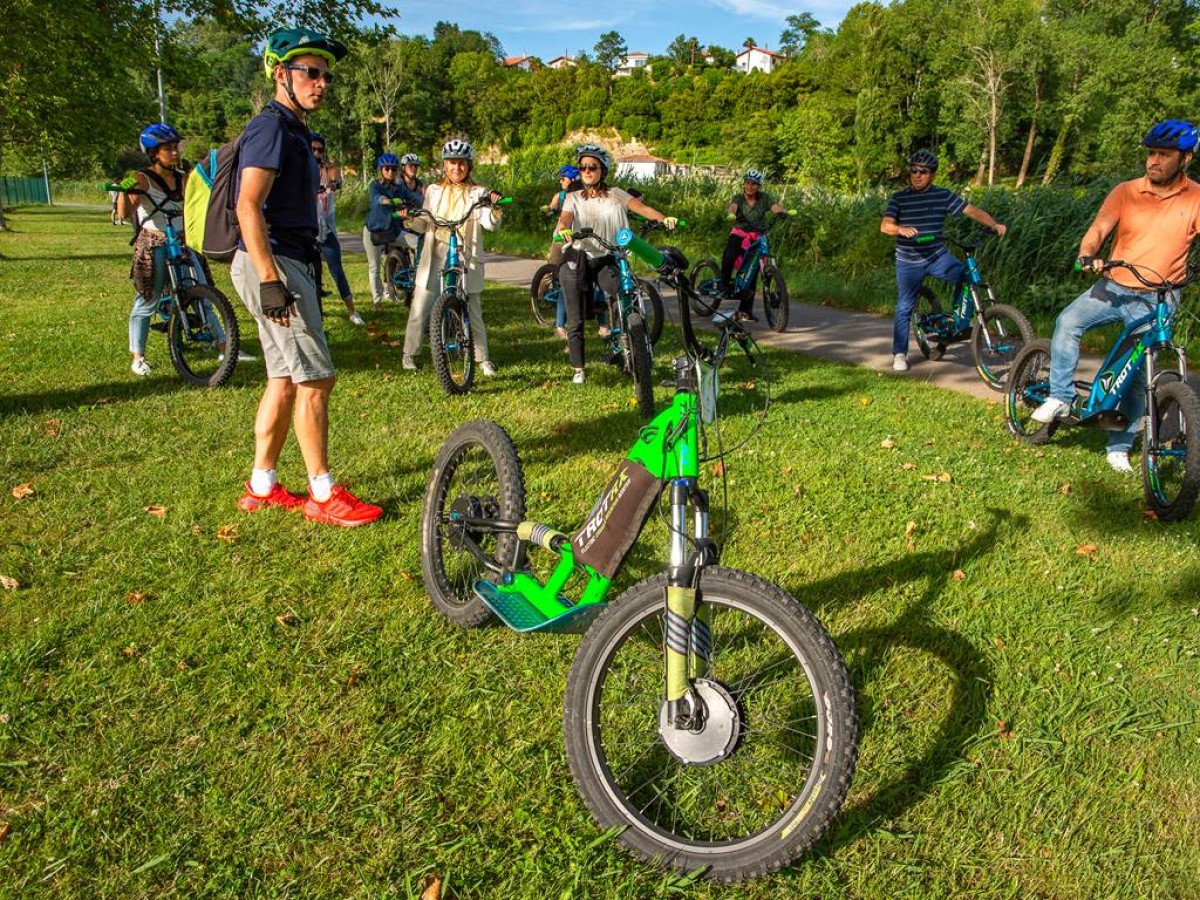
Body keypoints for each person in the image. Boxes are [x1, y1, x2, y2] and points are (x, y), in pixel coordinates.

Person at [231, 27, 382, 526]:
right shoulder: (271, 128)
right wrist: (271, 278)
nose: (322, 83)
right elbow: (247, 205)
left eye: (325, 76)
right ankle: (322, 493)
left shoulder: (292, 129)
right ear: (282, 74)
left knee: (283, 379)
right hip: (274, 261)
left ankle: (262, 486)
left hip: (278, 260)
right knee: (317, 377)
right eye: (311, 72)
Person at [1030, 119, 1200, 473]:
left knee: (1138, 376)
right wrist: (1087, 254)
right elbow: (1098, 229)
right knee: (1068, 321)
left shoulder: (1196, 197)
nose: (1153, 161)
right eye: (1151, 153)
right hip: (1113, 287)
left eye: (1163, 155)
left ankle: (1119, 446)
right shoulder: (1126, 191)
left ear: (1185, 159)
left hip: (1159, 299)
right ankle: (1060, 397)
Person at [554, 143, 678, 384]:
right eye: (583, 167)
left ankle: (627, 347)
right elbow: (565, 219)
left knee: (623, 293)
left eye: (592, 166)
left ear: (603, 170)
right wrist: (564, 231)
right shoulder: (572, 198)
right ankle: (579, 369)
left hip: (607, 256)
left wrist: (664, 219)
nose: (587, 171)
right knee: (575, 316)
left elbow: (642, 208)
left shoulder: (617, 194)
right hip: (578, 256)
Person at [880, 149, 1007, 372]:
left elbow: (972, 210)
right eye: (914, 171)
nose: (917, 175)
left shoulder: (943, 195)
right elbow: (885, 226)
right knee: (904, 306)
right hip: (909, 261)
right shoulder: (899, 198)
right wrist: (901, 229)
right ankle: (899, 353)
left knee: (966, 274)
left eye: (923, 171)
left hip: (937, 255)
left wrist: (993, 224)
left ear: (932, 175)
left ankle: (958, 319)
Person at [124, 122, 226, 376]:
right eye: (167, 149)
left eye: (175, 148)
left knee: (204, 291)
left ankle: (226, 345)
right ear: (153, 153)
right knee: (149, 299)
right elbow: (124, 211)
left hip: (183, 242)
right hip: (154, 244)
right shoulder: (141, 177)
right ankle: (138, 357)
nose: (175, 153)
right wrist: (125, 193)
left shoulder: (184, 177)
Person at [400, 138, 505, 376]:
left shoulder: (478, 192)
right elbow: (423, 222)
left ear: (469, 166)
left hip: (465, 254)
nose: (456, 168)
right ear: (444, 166)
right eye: (451, 163)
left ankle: (483, 359)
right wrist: (408, 217)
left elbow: (489, 222)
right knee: (421, 303)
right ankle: (409, 354)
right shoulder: (434, 191)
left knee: (473, 307)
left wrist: (494, 207)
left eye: (461, 163)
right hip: (437, 251)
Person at [719, 169, 788, 322]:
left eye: (754, 184)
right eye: (748, 183)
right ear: (744, 183)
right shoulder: (739, 197)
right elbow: (733, 206)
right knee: (729, 255)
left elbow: (775, 207)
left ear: (759, 186)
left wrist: (783, 212)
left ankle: (745, 311)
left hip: (757, 236)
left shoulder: (764, 198)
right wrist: (731, 213)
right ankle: (723, 286)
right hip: (740, 233)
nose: (750, 187)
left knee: (753, 271)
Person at [310, 133, 362, 325]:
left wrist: (332, 186)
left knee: (337, 270)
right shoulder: (302, 170)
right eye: (313, 149)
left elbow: (337, 179)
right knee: (311, 275)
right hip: (308, 231)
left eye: (320, 149)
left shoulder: (329, 169)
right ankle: (317, 316)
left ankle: (352, 312)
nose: (316, 153)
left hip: (326, 230)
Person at [363, 153, 406, 309]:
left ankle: (414, 284)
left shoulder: (400, 187)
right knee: (374, 266)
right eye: (387, 169)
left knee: (417, 241)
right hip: (373, 231)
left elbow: (410, 199)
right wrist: (390, 201)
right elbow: (377, 199)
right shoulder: (375, 185)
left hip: (392, 230)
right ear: (381, 170)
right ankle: (377, 301)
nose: (390, 172)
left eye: (393, 169)